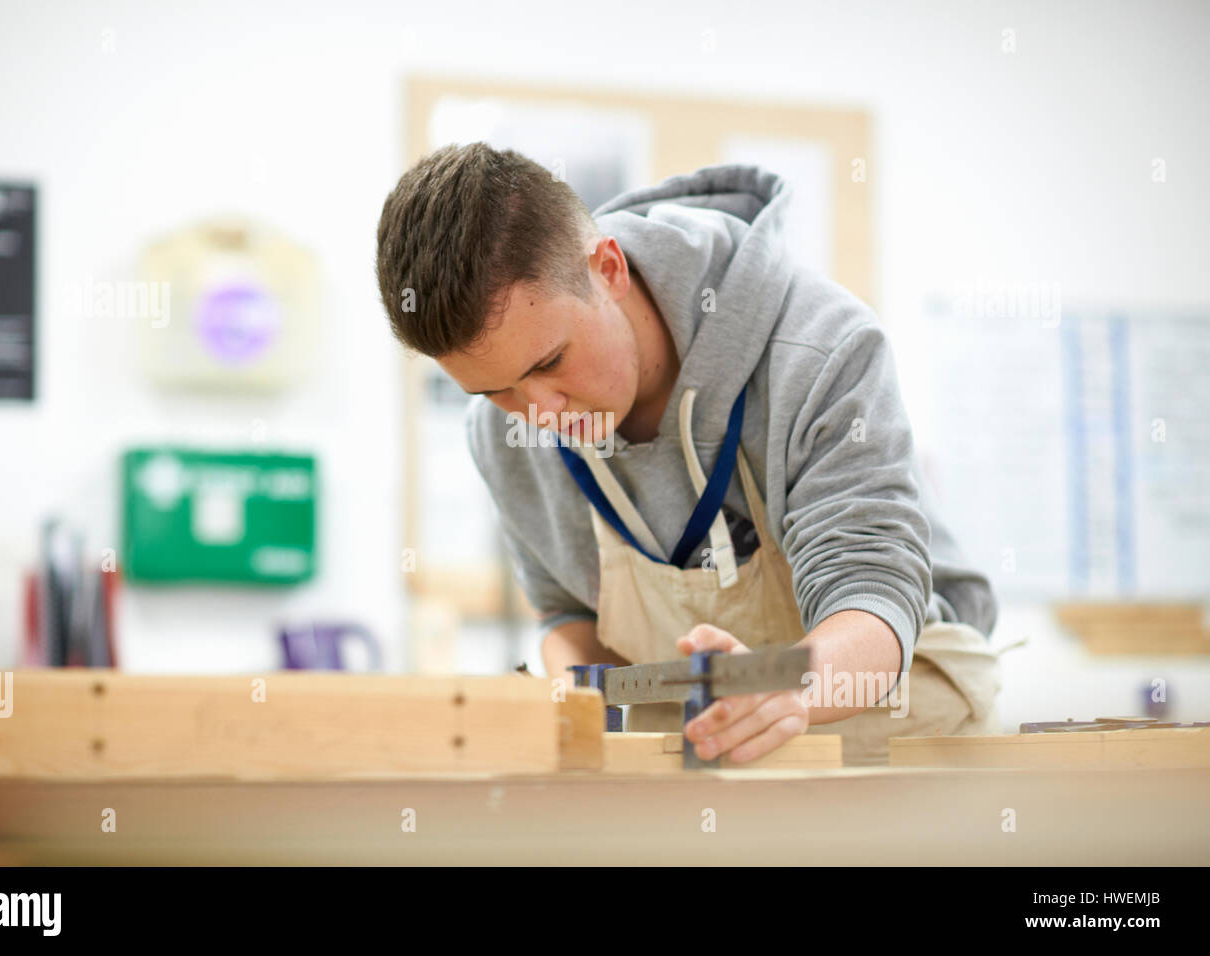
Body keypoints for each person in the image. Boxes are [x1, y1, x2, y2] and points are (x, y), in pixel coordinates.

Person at [376, 142, 1002, 766]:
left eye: (550, 363)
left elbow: (871, 591)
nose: (540, 415)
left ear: (609, 270)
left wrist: (784, 687)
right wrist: (575, 696)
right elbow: (566, 610)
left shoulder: (819, 350)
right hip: (691, 777)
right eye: (495, 391)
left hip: (892, 745)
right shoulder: (497, 436)